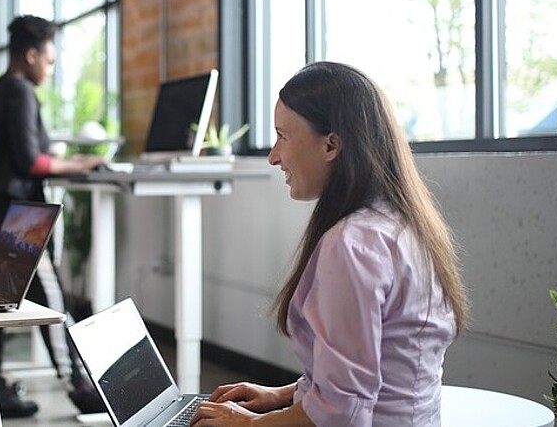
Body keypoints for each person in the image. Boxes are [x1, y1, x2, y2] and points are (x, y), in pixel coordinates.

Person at [190, 62, 469, 427]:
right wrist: (283, 395)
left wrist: (246, 424)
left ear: (331, 145)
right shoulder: (401, 224)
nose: (273, 156)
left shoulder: (352, 245)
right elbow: (366, 371)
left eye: (282, 137)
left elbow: (343, 413)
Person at [0, 14, 107, 418]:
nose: (50, 67)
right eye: (48, 60)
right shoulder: (21, 92)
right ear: (30, 56)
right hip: (14, 212)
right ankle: (77, 385)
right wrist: (78, 164)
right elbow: (31, 160)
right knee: (51, 296)